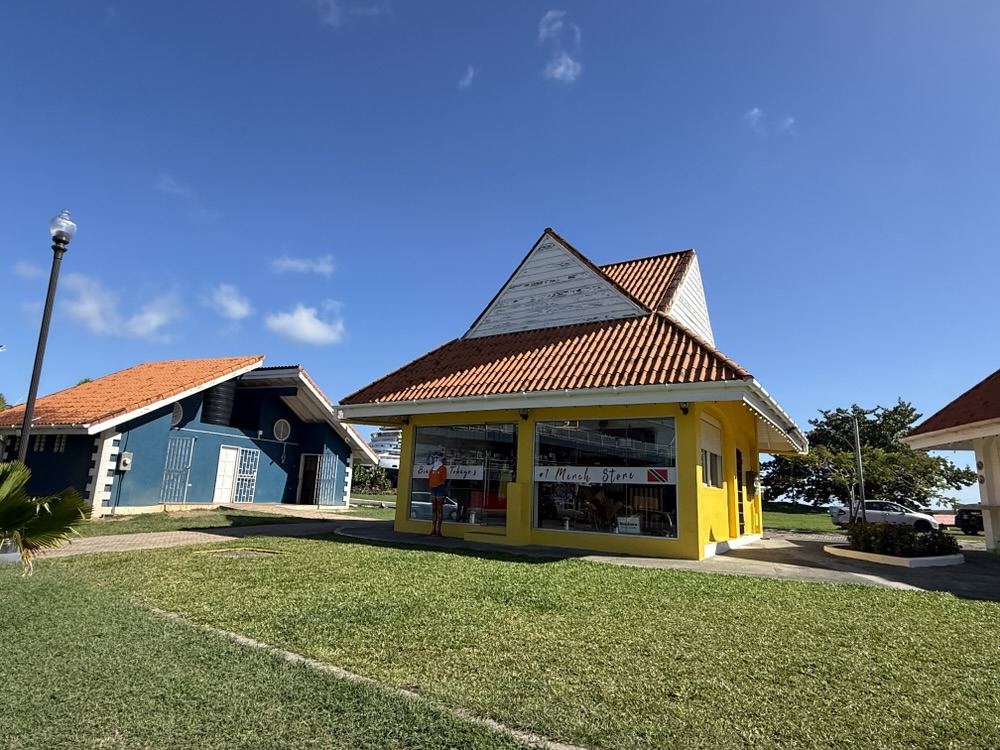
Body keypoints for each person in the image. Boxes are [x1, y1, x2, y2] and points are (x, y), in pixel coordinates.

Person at [427, 453, 448, 537]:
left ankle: (438, 530)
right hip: (433, 488)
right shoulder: (432, 468)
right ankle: (433, 529)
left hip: (439, 488)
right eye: (434, 457)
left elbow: (443, 479)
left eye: (437, 457)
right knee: (434, 509)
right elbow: (430, 478)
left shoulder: (443, 468)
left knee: (439, 508)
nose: (436, 459)